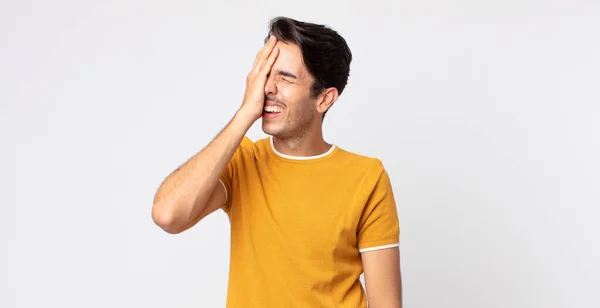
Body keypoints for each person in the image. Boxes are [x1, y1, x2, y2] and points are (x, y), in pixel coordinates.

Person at [152, 16, 402, 308]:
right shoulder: (242, 161)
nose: (268, 87)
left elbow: (385, 303)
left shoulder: (367, 176)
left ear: (324, 99)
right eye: (266, 74)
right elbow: (168, 214)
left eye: (285, 77)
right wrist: (245, 113)